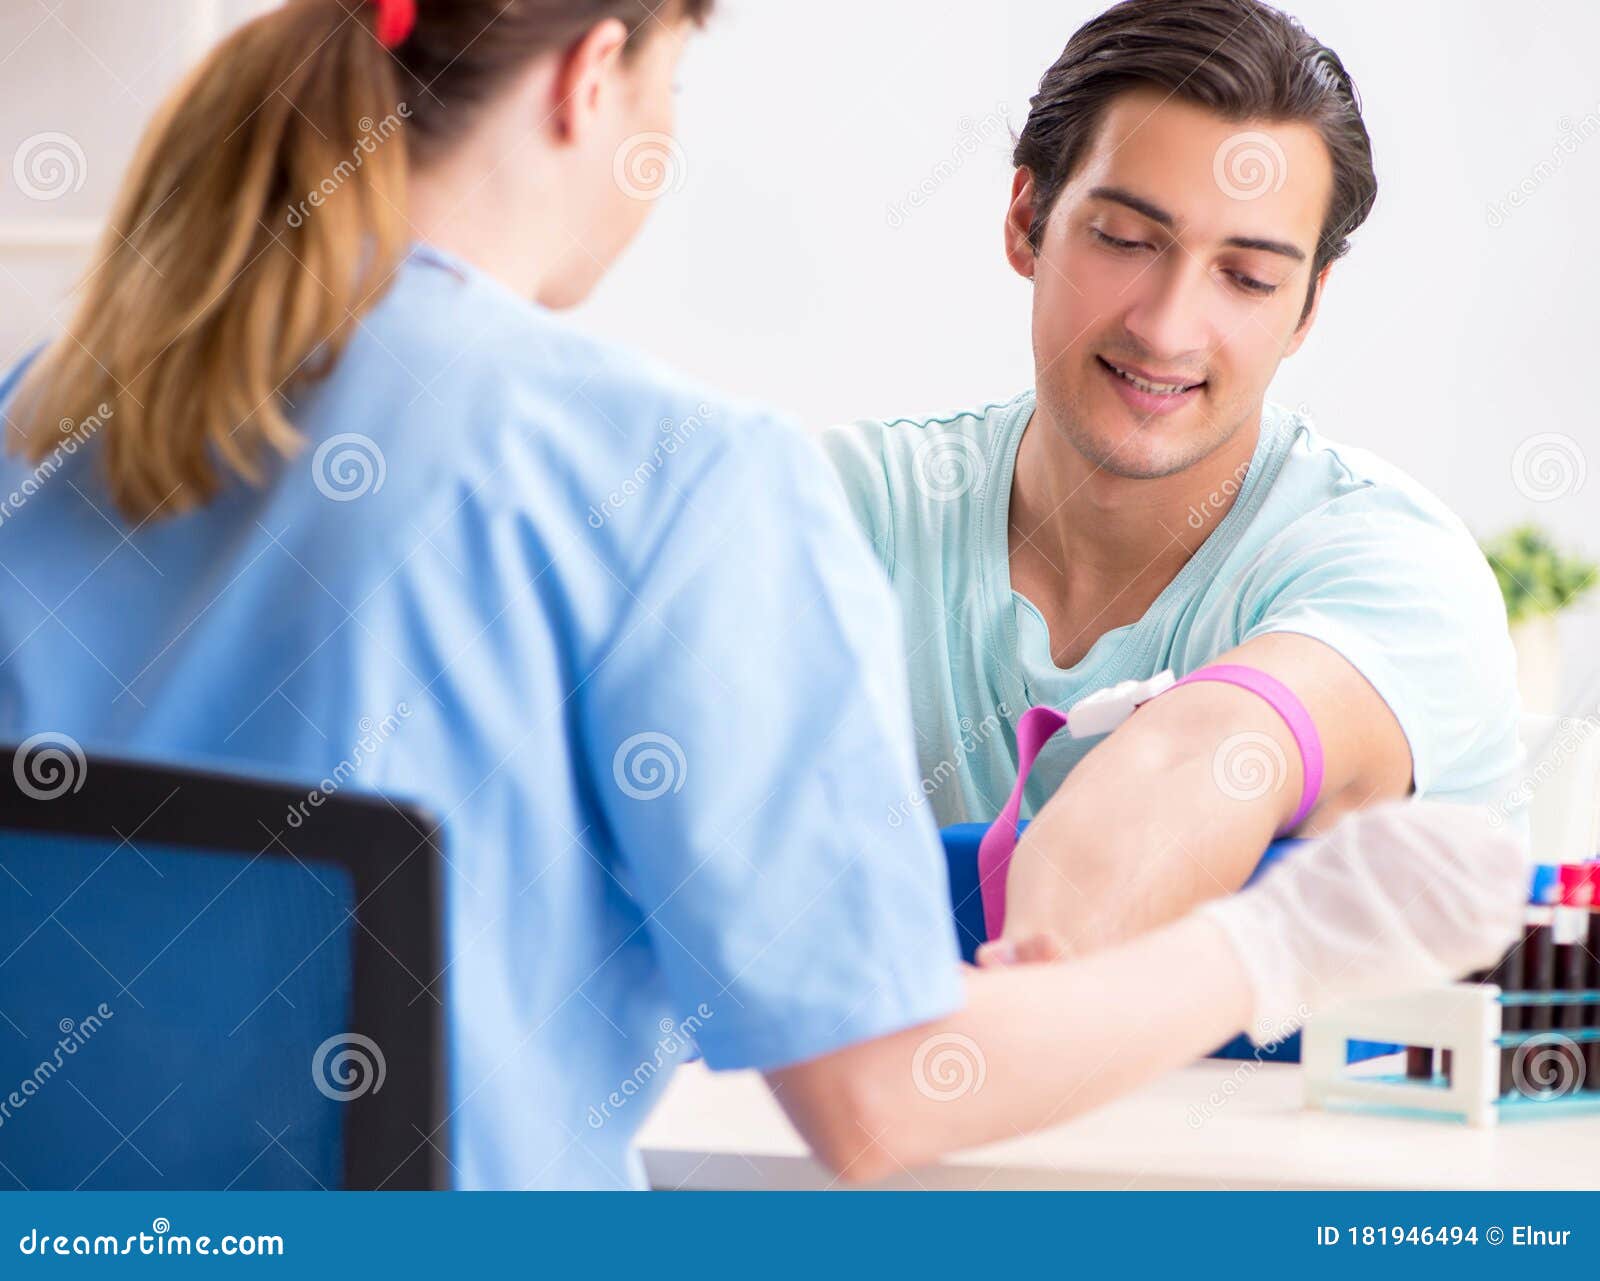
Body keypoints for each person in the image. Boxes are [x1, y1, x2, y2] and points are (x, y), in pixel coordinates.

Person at [0, 0, 1523, 1190]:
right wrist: (1279, 942)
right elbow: (875, 1096)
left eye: (1248, 273)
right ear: (596, 75)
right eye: (672, 84)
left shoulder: (45, 415)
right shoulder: (671, 478)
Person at [820, 0, 1522, 958]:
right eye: (1124, 239)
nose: (1166, 326)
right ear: (1029, 220)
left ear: (1308, 306)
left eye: (1248, 277)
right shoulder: (851, 511)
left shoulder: (1395, 573)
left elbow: (1206, 758)